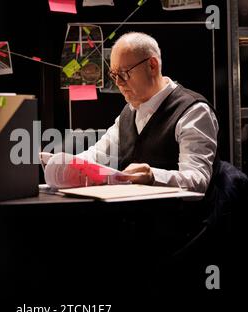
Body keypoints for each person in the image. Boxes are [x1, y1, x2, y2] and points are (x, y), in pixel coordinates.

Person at [78, 32, 219, 194]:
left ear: (152, 66)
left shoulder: (194, 111)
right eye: (114, 75)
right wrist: (66, 164)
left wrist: (154, 176)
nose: (118, 83)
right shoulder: (128, 112)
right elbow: (98, 155)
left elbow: (198, 179)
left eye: (124, 73)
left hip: (182, 216)